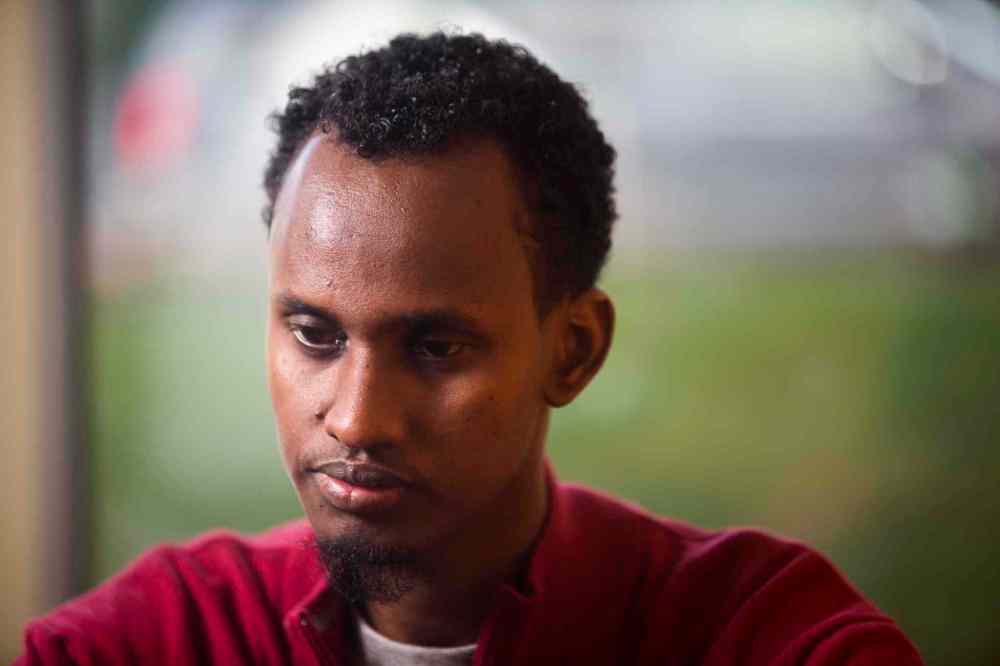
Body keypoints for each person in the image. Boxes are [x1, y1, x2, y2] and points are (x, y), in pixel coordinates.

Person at [18, 32, 923, 666]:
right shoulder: (152, 639)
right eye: (313, 333)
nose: (358, 418)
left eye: (437, 347)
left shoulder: (763, 638)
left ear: (573, 351)